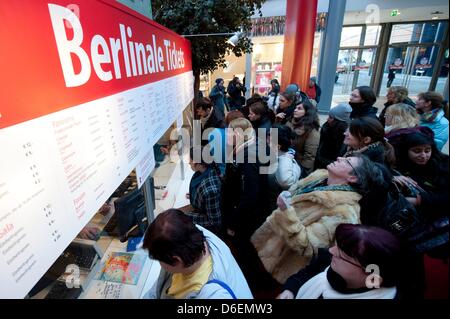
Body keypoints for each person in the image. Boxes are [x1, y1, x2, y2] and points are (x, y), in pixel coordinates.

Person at [251, 154, 388, 284]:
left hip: (278, 261)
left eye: (347, 161)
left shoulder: (343, 212)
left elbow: (308, 246)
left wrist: (286, 211)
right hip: (269, 241)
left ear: (353, 178)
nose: (340, 157)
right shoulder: (321, 177)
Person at [142, 209, 253, 299]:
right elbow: (160, 286)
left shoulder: (212, 295)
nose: (160, 264)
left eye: (159, 260)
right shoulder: (190, 236)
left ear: (176, 260)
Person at [277, 224, 401, 299]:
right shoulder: (329, 261)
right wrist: (290, 290)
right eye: (338, 245)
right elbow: (306, 274)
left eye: (343, 255)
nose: (331, 251)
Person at [177, 147, 223, 235]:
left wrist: (185, 217)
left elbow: (214, 222)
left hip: (210, 231)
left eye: (190, 161)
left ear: (197, 164)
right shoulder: (204, 172)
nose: (189, 163)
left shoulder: (210, 191)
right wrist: (196, 195)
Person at [267, 124, 301, 210]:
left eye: (269, 139)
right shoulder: (281, 155)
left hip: (277, 206)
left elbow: (286, 181)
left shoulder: (284, 160)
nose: (267, 141)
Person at [286, 99, 320, 177]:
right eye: (295, 108)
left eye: (299, 108)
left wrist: (302, 172)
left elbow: (309, 156)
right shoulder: (290, 123)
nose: (295, 110)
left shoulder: (312, 131)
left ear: (307, 112)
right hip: (287, 161)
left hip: (298, 166)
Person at [314, 103, 352, 170]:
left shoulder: (345, 134)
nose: (327, 119)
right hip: (320, 160)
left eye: (331, 117)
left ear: (338, 121)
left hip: (331, 165)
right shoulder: (327, 126)